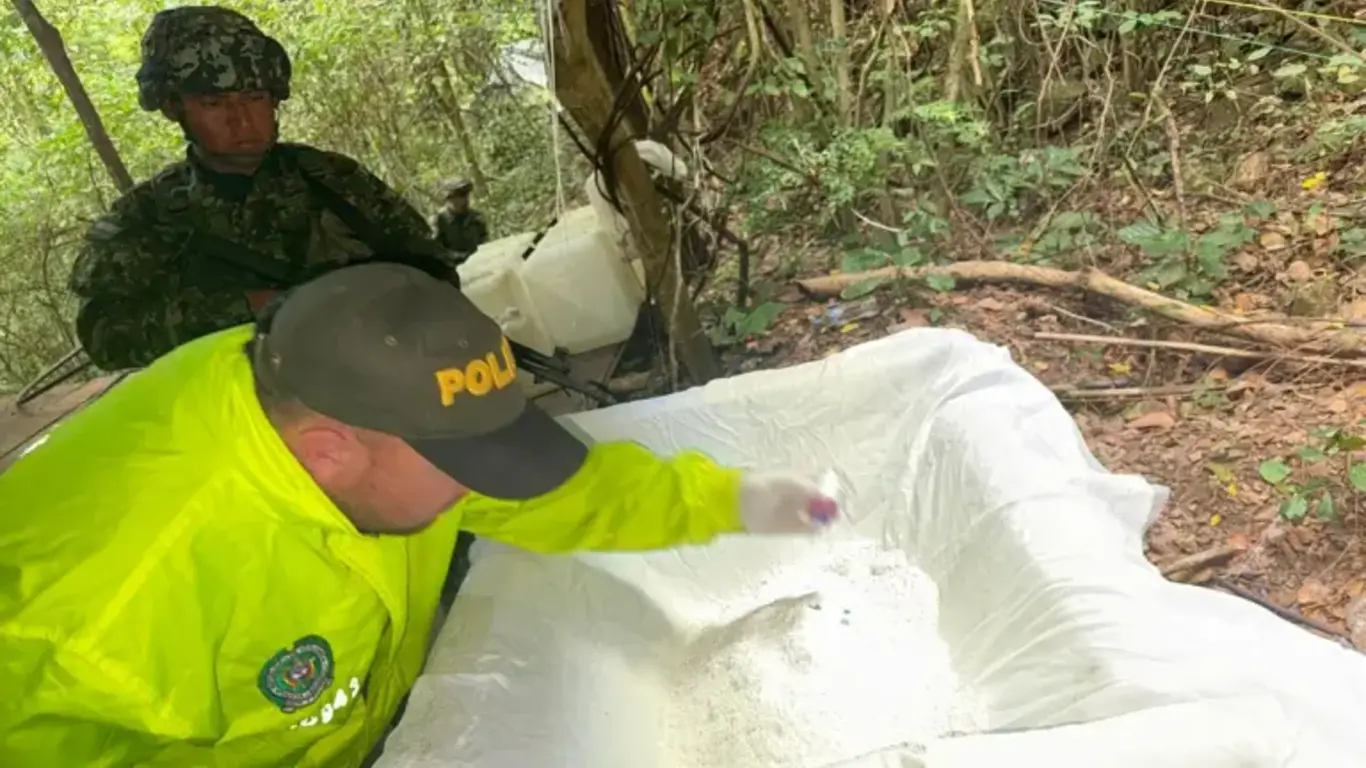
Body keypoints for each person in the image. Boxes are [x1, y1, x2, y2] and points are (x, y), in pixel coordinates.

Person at [0, 262, 839, 767]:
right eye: (462, 469)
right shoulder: (91, 624)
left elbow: (558, 493)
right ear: (329, 451)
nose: (484, 489)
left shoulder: (345, 401)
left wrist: (734, 500)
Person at [68, 5, 457, 374]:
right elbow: (105, 336)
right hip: (241, 420)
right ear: (173, 108)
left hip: (381, 390)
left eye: (255, 97)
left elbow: (433, 269)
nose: (242, 120)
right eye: (214, 102)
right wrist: (248, 308)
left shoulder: (334, 180)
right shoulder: (146, 220)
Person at [431, 177, 489, 261]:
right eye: (457, 196)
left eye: (464, 195)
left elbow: (484, 244)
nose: (462, 200)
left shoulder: (476, 218)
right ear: (448, 198)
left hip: (478, 263)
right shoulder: (439, 220)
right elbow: (436, 250)